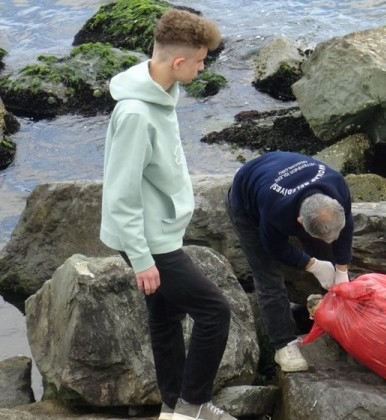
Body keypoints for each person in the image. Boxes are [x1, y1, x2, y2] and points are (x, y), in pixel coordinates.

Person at [99, 9, 236, 420]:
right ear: (178, 62)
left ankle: (172, 405)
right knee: (215, 311)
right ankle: (192, 408)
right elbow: (119, 193)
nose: (203, 65)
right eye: (200, 60)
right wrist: (141, 258)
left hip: (161, 233)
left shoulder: (160, 97)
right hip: (150, 240)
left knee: (166, 316)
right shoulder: (137, 114)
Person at [225, 151, 354, 372]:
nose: (330, 239)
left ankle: (335, 318)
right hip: (247, 195)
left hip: (285, 172)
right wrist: (311, 265)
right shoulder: (275, 210)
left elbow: (347, 225)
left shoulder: (337, 184)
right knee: (268, 276)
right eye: (321, 235)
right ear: (300, 223)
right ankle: (283, 344)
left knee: (328, 254)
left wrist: (341, 268)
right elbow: (273, 248)